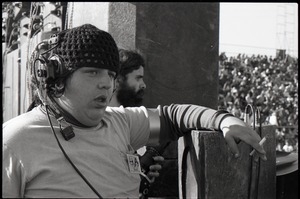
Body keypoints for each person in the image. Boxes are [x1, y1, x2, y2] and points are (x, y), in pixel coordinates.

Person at [2, 24, 267, 198]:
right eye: (92, 72)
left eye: (109, 73)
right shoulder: (14, 141)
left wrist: (224, 121)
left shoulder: (121, 123)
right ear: (56, 77)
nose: (106, 83)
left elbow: (174, 117)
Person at [110, 49, 165, 198]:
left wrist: (142, 175)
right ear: (119, 79)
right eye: (138, 78)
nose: (143, 85)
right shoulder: (101, 120)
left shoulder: (138, 121)